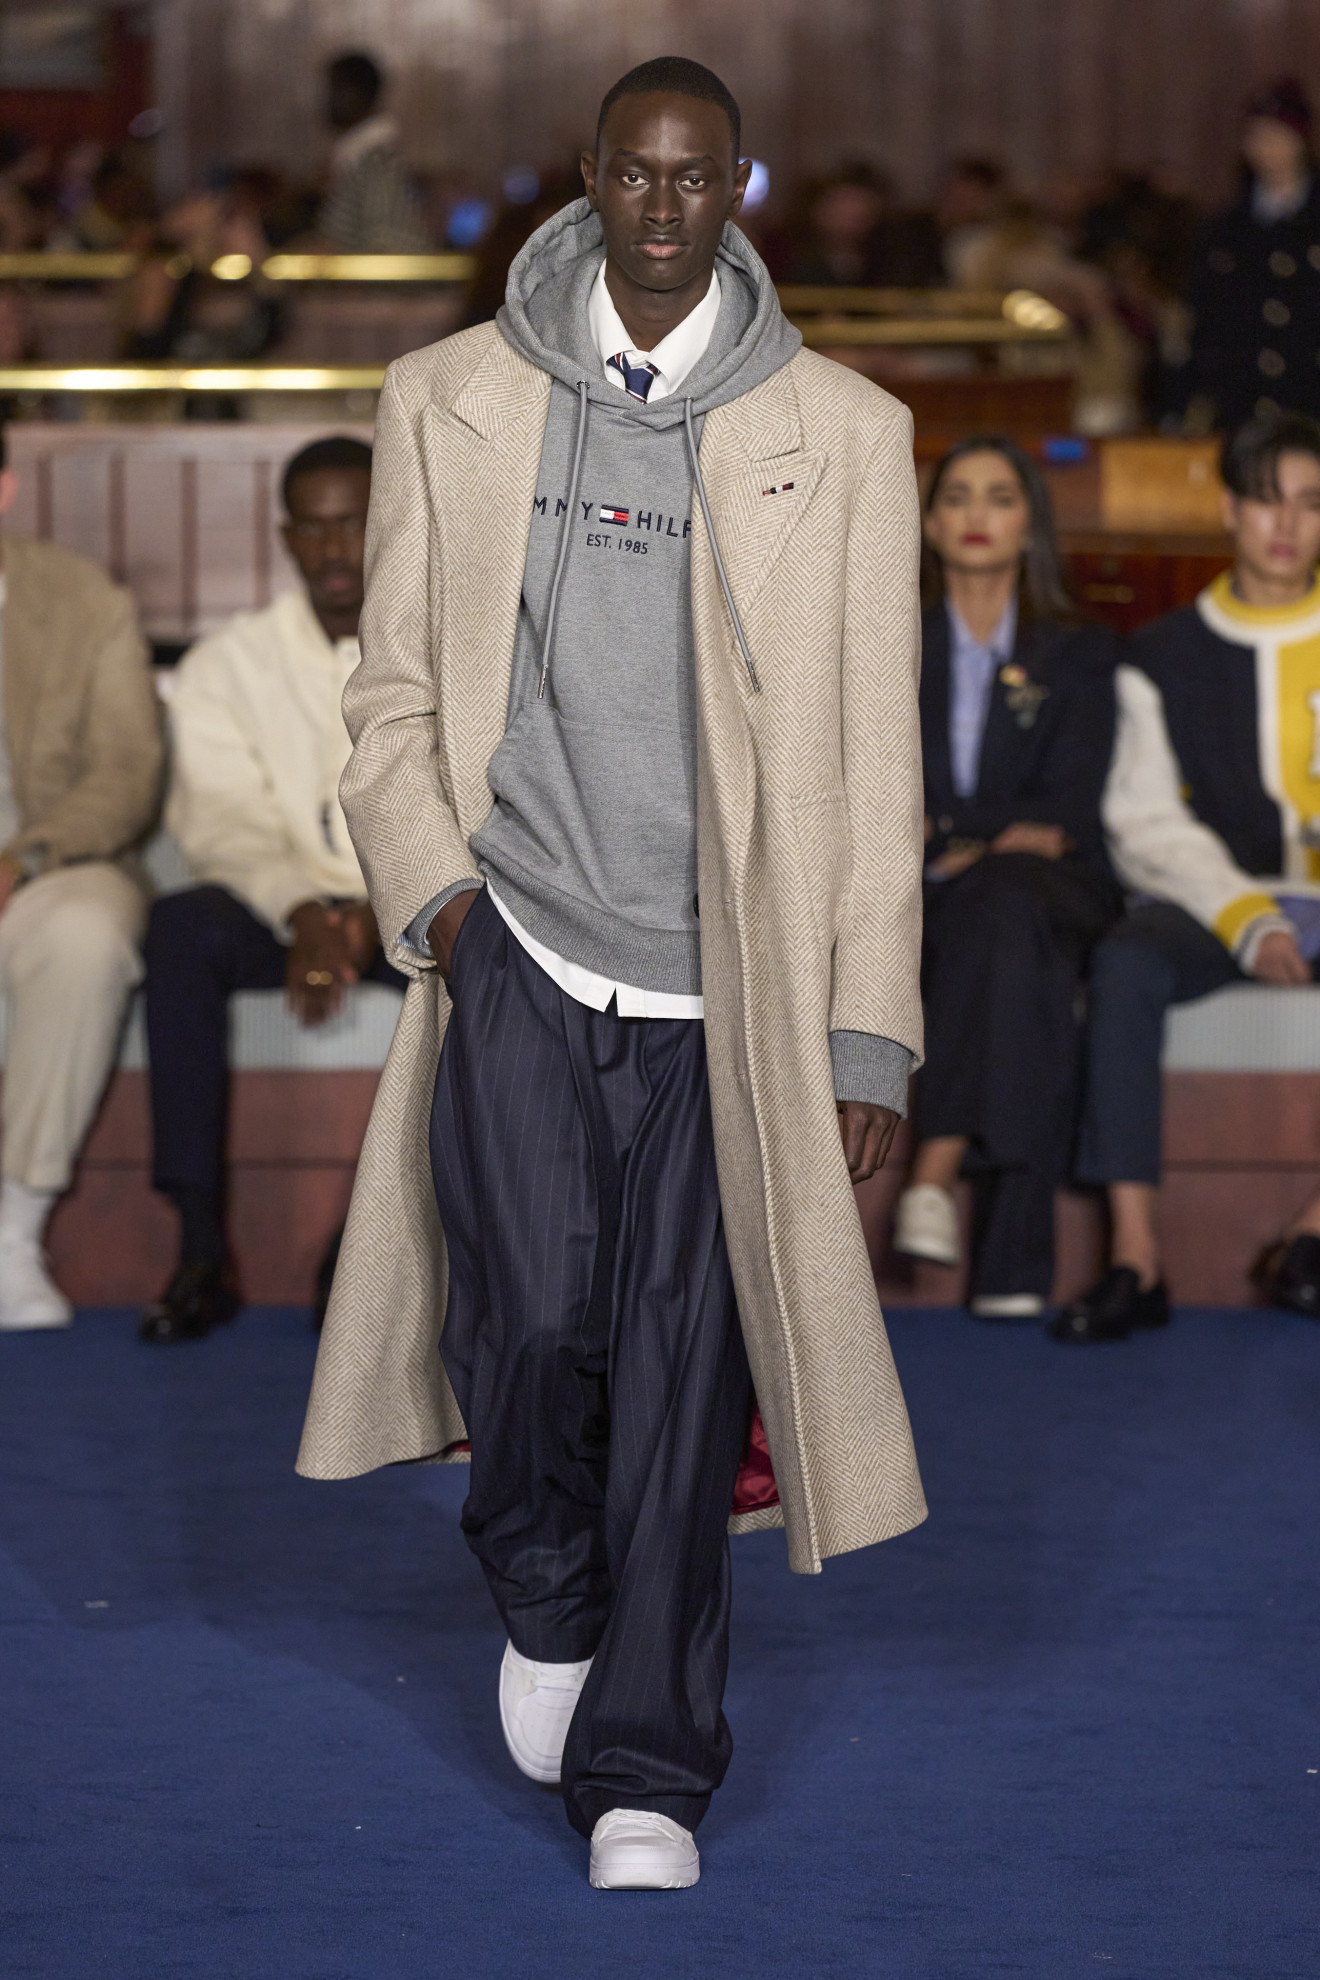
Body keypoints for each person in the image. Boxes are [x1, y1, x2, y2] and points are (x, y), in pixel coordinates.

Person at [297, 56, 927, 1892]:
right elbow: (391, 695)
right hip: (518, 942)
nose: (662, 208)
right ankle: (548, 1588)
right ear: (588, 177)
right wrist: (446, 907)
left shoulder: (846, 433)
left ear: (740, 187)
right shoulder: (451, 397)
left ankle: (650, 1765)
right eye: (633, 174)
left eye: (695, 177)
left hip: (731, 990)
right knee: (525, 1324)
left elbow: (878, 760)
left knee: (676, 1385)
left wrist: (867, 1025)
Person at [1058, 411, 1320, 1342]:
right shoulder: (1162, 655)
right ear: (1229, 510)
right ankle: (1136, 1258)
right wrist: (1248, 917)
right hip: (1218, 901)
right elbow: (1143, 821)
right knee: (1126, 961)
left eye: (1311, 503)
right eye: (1267, 501)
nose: (1287, 524)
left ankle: (1312, 1234)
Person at [139, 437, 406, 1345]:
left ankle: (367, 1249)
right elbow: (222, 823)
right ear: (287, 538)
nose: (335, 549)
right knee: (180, 927)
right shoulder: (229, 663)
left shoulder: (452, 644)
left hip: (410, 905)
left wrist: (375, 913)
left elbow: (472, 801)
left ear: (391, 520)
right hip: (278, 910)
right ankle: (199, 1249)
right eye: (314, 528)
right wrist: (305, 914)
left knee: (489, 953)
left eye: (354, 523)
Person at [892, 439, 1119, 1315]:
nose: (977, 515)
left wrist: (952, 832)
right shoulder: (886, 643)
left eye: (1000, 497)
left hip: (1059, 888)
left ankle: (935, 1166)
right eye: (957, 497)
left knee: (1007, 898)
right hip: (935, 890)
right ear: (929, 522)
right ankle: (1012, 1267)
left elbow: (1070, 805)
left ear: (1031, 522)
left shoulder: (1081, 652)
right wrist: (989, 836)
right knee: (1015, 949)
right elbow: (866, 786)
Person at [0, 431, 163, 1330]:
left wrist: (24, 858)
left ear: (5, 488)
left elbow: (126, 771)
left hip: (48, 865)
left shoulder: (83, 602)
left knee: (85, 939)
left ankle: (13, 1231)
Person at [1185, 78, 1320, 433]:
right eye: (1257, 136)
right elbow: (1205, 322)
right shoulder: (1226, 230)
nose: (1266, 148)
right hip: (1242, 405)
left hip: (1309, 402)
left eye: (1278, 135)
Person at [315, 51, 428, 255]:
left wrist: (326, 254)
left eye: (334, 88)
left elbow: (391, 243)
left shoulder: (378, 161)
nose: (326, 100)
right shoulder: (359, 156)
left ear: (358, 93)